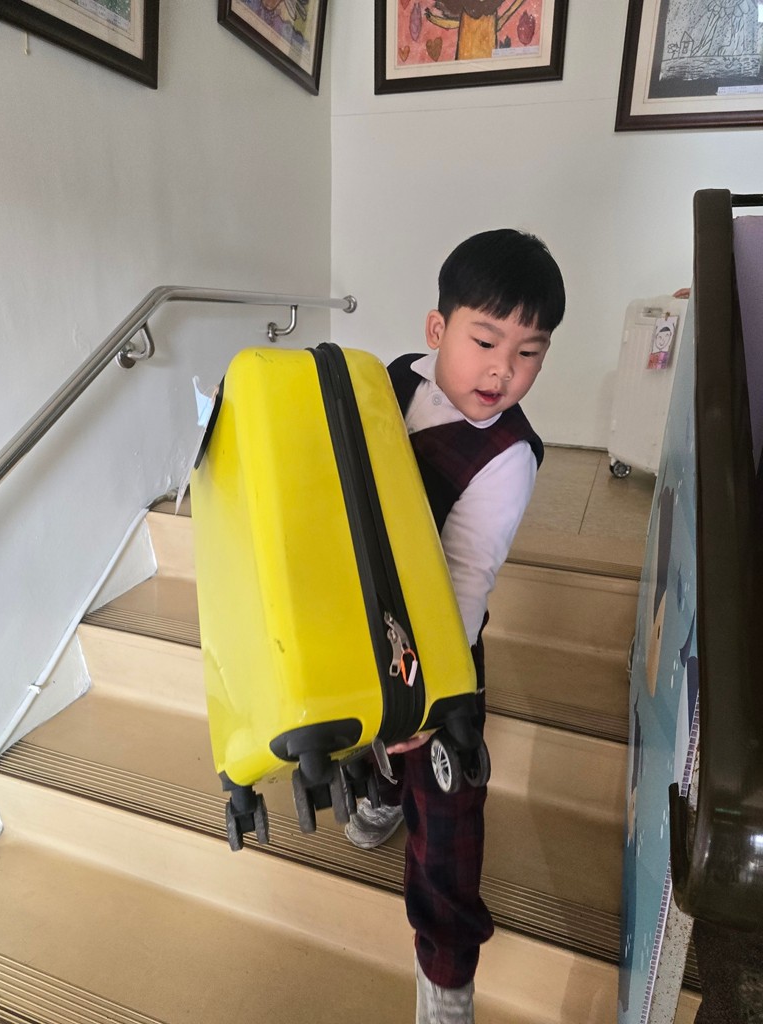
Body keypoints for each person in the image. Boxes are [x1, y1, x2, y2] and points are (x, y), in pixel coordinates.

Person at [344, 228, 566, 1023]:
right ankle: (377, 790)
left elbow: (468, 581)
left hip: (439, 646)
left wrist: (430, 693)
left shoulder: (507, 455)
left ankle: (446, 972)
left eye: (530, 353)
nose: (504, 371)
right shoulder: (388, 381)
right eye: (485, 341)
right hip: (363, 613)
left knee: (448, 804)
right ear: (438, 329)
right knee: (365, 724)